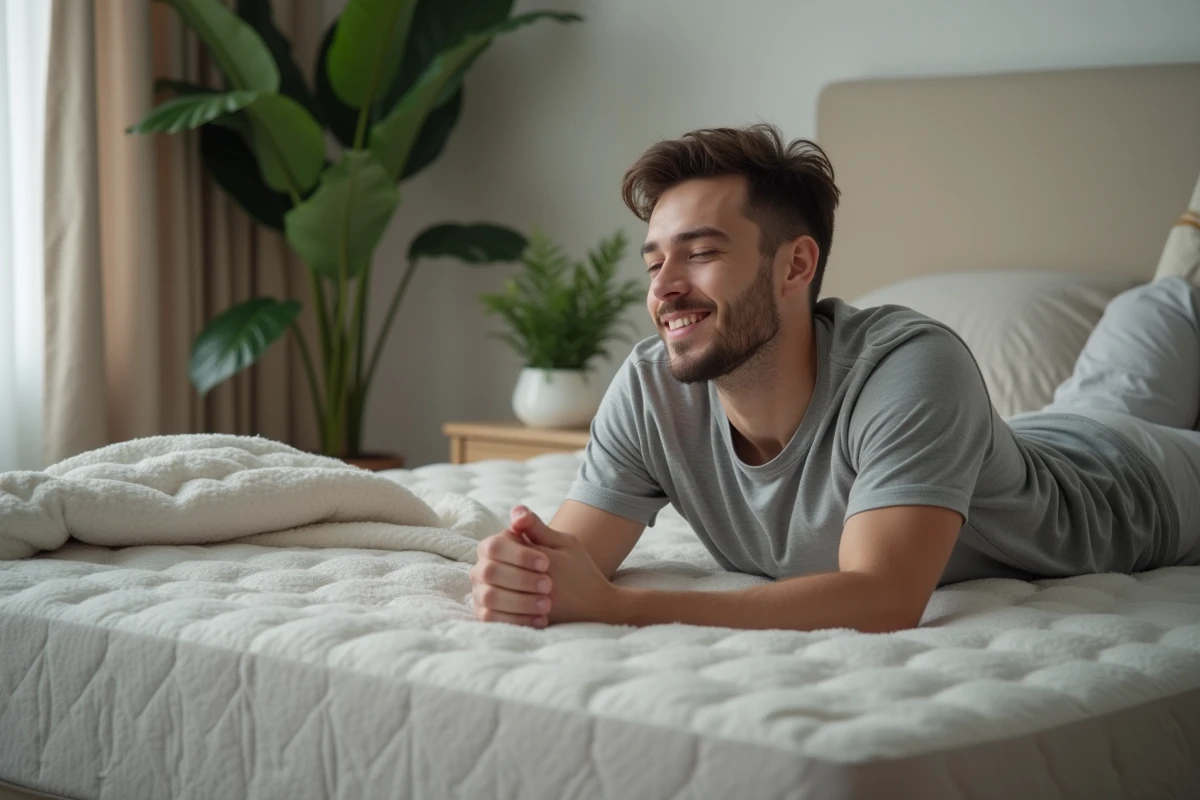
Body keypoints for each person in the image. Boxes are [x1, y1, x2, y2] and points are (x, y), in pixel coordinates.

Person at [468, 124, 1200, 633]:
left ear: (795, 265)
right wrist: (520, 567)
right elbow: (571, 561)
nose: (665, 288)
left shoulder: (912, 366)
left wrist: (622, 609)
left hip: (1137, 480)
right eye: (655, 261)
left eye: (700, 253)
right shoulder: (653, 387)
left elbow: (883, 599)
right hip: (1043, 436)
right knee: (1124, 358)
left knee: (1160, 306)